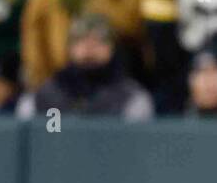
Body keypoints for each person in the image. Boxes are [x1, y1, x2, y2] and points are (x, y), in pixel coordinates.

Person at [19, 12, 152, 119]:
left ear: (113, 48)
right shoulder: (43, 97)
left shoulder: (131, 98)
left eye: (99, 41)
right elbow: (38, 140)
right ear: (69, 48)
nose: (89, 48)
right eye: (81, 40)